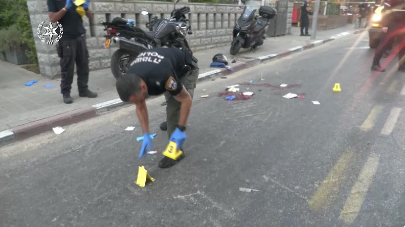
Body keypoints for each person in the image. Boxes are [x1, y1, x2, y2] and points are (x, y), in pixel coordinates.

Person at [116, 47, 199, 168]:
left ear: (143, 87)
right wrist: (145, 134)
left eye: (138, 100)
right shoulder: (131, 78)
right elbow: (140, 106)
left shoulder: (162, 76)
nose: (138, 103)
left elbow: (186, 100)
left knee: (175, 107)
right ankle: (173, 122)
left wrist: (181, 129)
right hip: (168, 68)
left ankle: (175, 151)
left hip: (186, 70)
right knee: (171, 100)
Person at [48, 0, 98, 104]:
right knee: (67, 67)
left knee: (84, 64)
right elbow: (52, 18)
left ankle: (83, 89)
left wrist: (86, 8)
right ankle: (66, 93)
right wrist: (65, 8)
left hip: (80, 36)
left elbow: (90, 16)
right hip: (66, 38)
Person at [371, 0, 405, 72]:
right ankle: (375, 64)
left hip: (402, 24)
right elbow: (385, 10)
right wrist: (385, 24)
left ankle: (402, 66)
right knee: (384, 44)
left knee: (403, 46)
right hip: (391, 24)